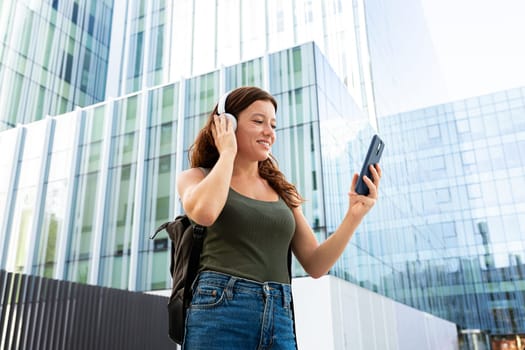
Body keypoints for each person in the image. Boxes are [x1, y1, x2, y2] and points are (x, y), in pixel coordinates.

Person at [176, 86, 381, 349]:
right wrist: (227, 152)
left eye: (273, 125)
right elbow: (205, 213)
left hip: (280, 313)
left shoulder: (281, 191)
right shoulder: (196, 177)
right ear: (227, 124)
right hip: (220, 309)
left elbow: (316, 264)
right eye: (258, 121)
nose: (269, 132)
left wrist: (354, 215)